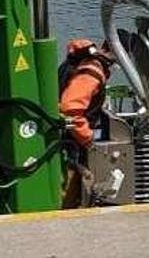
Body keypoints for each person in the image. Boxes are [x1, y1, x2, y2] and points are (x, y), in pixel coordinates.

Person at [58, 38, 115, 208]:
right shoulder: (91, 72)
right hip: (72, 143)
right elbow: (70, 109)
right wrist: (87, 138)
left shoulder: (81, 63)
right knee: (68, 192)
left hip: (64, 138)